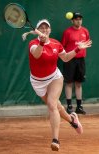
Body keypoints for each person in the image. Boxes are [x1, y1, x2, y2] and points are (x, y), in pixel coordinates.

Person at [28, 19, 92, 151]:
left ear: (50, 30)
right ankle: (72, 120)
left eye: (47, 27)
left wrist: (77, 49)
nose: (45, 29)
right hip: (37, 82)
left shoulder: (56, 44)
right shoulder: (33, 43)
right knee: (58, 107)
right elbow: (36, 55)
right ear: (37, 31)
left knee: (52, 105)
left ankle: (55, 140)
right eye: (42, 27)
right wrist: (41, 42)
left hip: (54, 78)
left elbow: (66, 58)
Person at [61, 12, 90, 114]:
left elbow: (86, 43)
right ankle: (69, 106)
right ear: (72, 20)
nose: (79, 21)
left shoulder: (85, 31)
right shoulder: (67, 32)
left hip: (81, 60)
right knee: (69, 83)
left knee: (78, 83)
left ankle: (79, 107)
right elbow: (63, 46)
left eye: (80, 19)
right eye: (76, 19)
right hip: (69, 60)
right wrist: (67, 57)